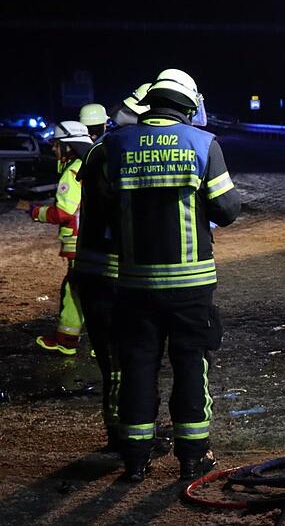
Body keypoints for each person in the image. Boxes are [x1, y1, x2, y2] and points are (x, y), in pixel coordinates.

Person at [93, 69, 241, 481]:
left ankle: (136, 460)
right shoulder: (202, 144)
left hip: (134, 283)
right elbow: (227, 211)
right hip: (191, 284)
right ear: (189, 105)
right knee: (191, 365)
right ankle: (192, 457)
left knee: (138, 366)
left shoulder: (113, 146)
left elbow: (102, 212)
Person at [74, 87, 149, 451]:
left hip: (95, 273)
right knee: (122, 359)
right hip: (110, 275)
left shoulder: (104, 148)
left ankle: (123, 433)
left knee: (115, 361)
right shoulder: (119, 154)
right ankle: (125, 438)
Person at [30, 121, 91, 355]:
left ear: (67, 146)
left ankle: (67, 341)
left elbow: (63, 212)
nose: (54, 150)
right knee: (86, 290)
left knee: (76, 290)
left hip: (78, 242)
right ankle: (73, 339)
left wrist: (37, 212)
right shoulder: (90, 164)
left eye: (56, 145)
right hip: (94, 240)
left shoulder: (73, 171)